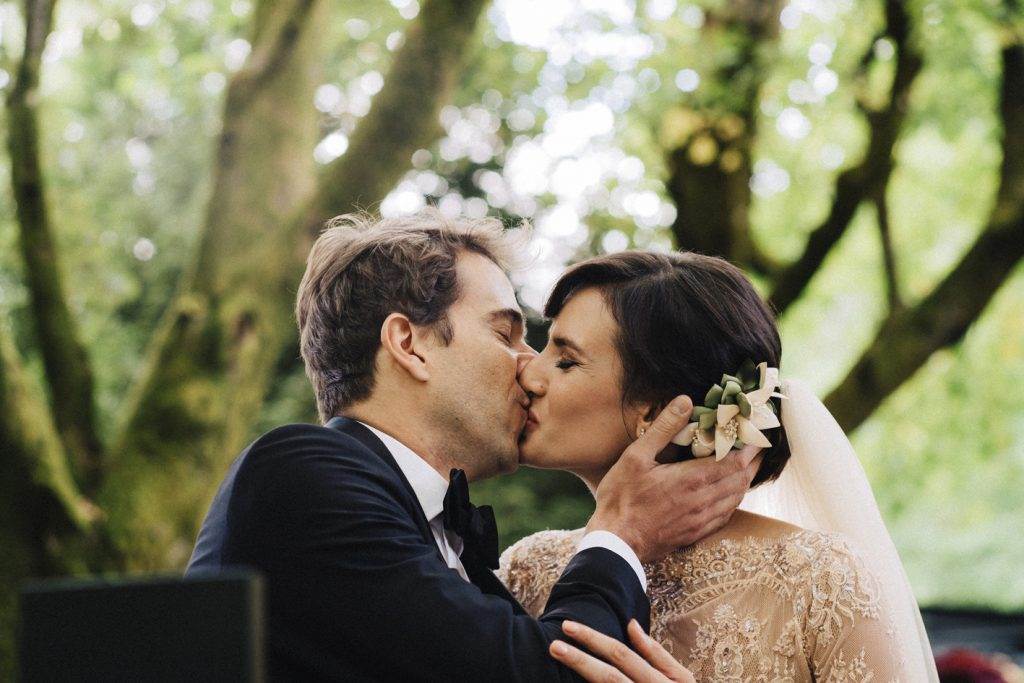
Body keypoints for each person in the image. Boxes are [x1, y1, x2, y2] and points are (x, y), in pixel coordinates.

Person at [185, 211, 760, 681]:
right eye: (505, 332)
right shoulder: (299, 474)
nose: (531, 366)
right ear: (409, 344)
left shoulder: (450, 544)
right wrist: (623, 528)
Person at [500, 250, 939, 681]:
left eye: (565, 360)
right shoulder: (529, 570)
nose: (529, 375)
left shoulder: (818, 580)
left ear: (657, 411)